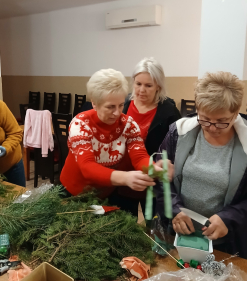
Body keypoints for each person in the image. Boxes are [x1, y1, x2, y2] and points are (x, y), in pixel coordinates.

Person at [156, 71, 247, 258]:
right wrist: (175, 210)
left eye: (222, 122)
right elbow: (160, 178)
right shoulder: (178, 133)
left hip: (227, 243)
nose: (212, 128)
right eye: (205, 119)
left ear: (236, 113)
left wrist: (229, 218)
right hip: (179, 235)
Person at [60, 68, 174, 201]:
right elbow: (87, 167)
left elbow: (139, 157)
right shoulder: (81, 124)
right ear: (94, 103)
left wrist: (154, 169)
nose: (117, 113)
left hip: (105, 193)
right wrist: (125, 178)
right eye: (110, 107)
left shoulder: (128, 125)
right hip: (73, 194)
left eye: (120, 105)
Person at [116, 57, 181, 215]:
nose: (141, 90)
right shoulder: (122, 105)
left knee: (154, 229)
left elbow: (176, 148)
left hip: (154, 184)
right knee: (123, 228)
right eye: (138, 84)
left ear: (158, 86)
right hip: (124, 181)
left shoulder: (169, 112)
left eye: (148, 85)